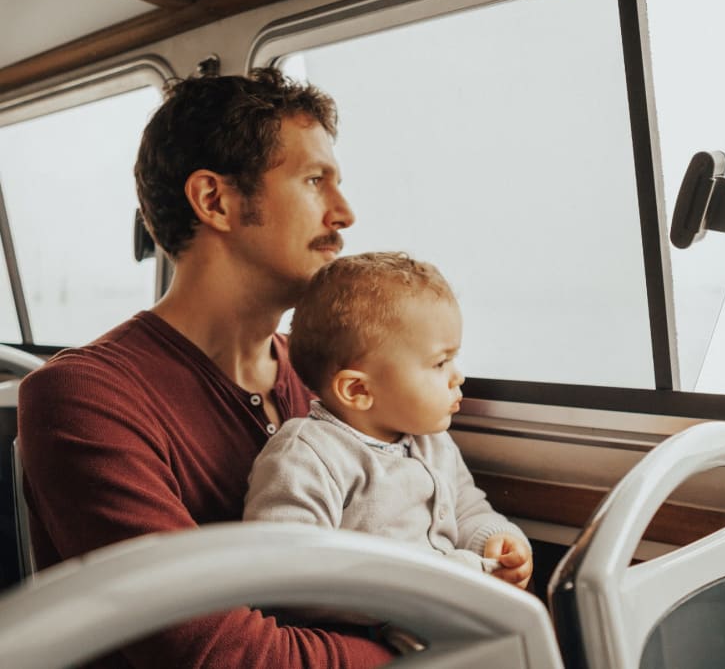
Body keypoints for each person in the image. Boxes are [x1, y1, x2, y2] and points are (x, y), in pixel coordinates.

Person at [16, 69, 395, 667]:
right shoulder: (81, 399)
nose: (345, 213)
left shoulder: (337, 377)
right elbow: (220, 657)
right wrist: (406, 645)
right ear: (215, 200)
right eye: (315, 180)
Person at [244, 252, 533, 590]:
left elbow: (467, 508)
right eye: (440, 363)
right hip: (363, 628)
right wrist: (448, 572)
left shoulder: (431, 442)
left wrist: (493, 539)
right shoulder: (307, 456)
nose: (458, 376)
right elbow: (287, 570)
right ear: (358, 389)